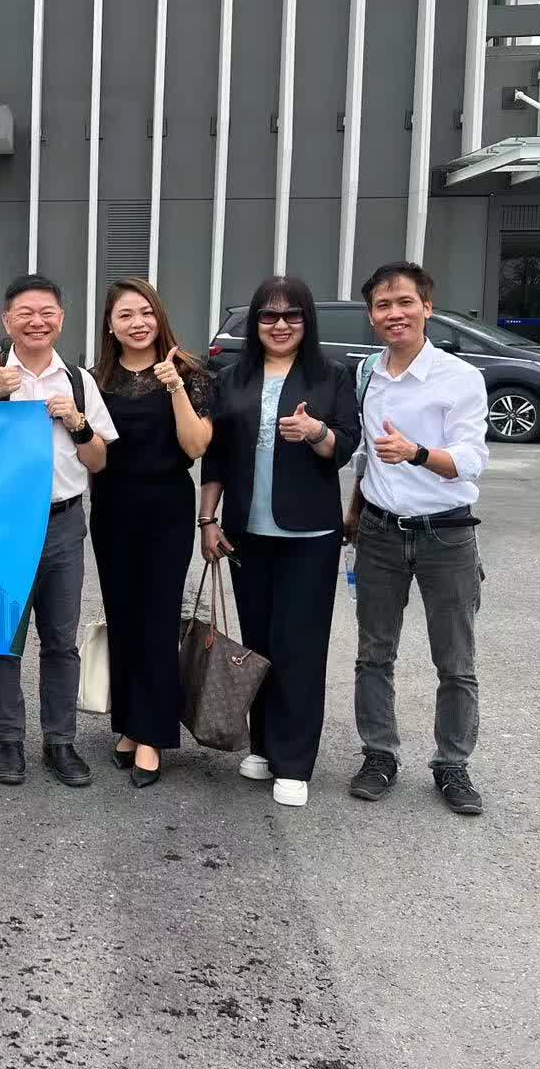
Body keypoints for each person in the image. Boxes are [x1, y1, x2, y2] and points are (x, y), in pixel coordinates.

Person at [198, 276, 360, 808]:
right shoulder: (232, 378)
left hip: (309, 534)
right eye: (269, 316)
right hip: (247, 532)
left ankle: (293, 761)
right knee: (260, 642)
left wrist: (317, 434)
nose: (281, 325)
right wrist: (208, 519)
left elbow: (346, 444)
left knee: (300, 647)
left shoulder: (331, 375)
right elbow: (218, 456)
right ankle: (264, 746)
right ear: (255, 324)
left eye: (292, 315)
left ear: (307, 321)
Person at [0, 274, 116, 789]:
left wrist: (77, 422)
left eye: (47, 312)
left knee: (61, 640)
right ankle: (8, 740)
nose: (36, 322)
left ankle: (60, 741)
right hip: (2, 526)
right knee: (3, 638)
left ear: (61, 319)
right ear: (7, 321)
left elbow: (99, 460)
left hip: (63, 523)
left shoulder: (79, 381)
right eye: (25, 313)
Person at [345, 261, 490, 816]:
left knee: (455, 660)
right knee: (373, 654)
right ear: (371, 316)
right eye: (383, 305)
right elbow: (365, 453)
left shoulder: (459, 377)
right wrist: (354, 512)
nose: (394, 314)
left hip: (446, 535)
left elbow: (472, 461)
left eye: (405, 302)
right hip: (379, 533)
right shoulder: (367, 373)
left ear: (427, 307)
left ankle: (452, 764)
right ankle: (379, 754)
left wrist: (417, 453)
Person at [89, 278, 212, 788]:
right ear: (110, 326)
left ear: (159, 317)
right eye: (125, 315)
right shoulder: (95, 379)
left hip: (166, 508)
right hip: (112, 508)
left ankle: (152, 735)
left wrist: (175, 386)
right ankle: (128, 722)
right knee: (122, 616)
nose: (137, 323)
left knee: (158, 618)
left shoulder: (191, 373)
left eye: (145, 312)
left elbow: (196, 446)